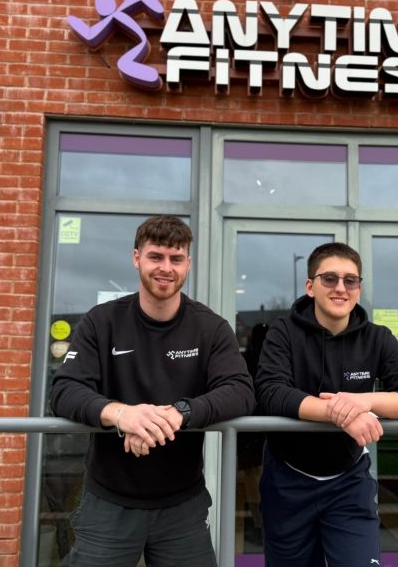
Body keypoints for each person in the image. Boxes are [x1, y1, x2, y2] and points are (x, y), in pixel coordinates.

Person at [50, 215, 255, 567]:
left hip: (182, 504)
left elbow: (240, 390)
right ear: (136, 258)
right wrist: (122, 414)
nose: (166, 268)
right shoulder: (103, 321)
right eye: (155, 257)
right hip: (109, 501)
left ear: (188, 263)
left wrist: (178, 413)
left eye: (176, 259)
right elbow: (65, 390)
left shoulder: (209, 328)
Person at [254, 242, 398, 567]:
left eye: (350, 280)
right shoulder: (283, 332)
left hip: (348, 481)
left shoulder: (377, 338)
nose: (341, 288)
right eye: (330, 279)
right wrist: (341, 415)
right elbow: (271, 392)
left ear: (358, 288)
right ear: (310, 287)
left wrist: (362, 401)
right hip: (287, 479)